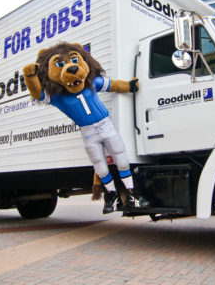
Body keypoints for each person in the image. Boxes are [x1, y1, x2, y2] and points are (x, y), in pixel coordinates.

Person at [23, 42, 150, 214]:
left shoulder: (92, 83)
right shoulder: (57, 96)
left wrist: (129, 86)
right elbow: (38, 94)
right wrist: (31, 77)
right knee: (100, 166)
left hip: (106, 125)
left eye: (74, 60)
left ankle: (132, 193)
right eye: (60, 64)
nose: (72, 67)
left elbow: (112, 85)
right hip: (88, 132)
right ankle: (111, 195)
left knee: (121, 158)